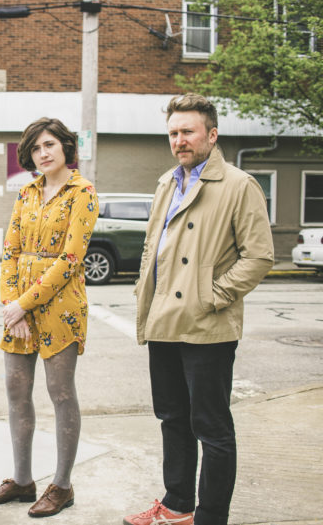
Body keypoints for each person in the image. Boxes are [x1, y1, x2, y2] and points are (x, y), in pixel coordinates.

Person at [124, 93, 274, 525]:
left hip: (207, 326)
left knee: (212, 429)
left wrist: (213, 296)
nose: (179, 140)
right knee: (172, 419)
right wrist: (142, 293)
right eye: (173, 133)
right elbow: (154, 249)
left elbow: (259, 257)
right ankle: (176, 508)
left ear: (212, 134)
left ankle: (210, 518)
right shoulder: (166, 183)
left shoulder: (238, 185)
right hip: (163, 323)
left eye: (187, 131)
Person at [0, 117, 99, 518]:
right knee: (16, 392)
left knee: (61, 393)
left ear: (66, 147)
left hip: (60, 306)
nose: (42, 153)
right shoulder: (26, 193)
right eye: (35, 148)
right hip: (19, 310)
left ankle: (62, 486)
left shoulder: (83, 193)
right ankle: (22, 481)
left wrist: (25, 304)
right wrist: (13, 307)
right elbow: (9, 252)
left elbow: (71, 259)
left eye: (49, 145)